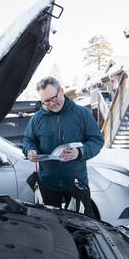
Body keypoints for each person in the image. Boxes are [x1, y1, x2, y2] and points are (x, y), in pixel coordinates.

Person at [23, 76, 104, 209]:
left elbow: (97, 141)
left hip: (76, 184)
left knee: (79, 225)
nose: (51, 104)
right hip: (48, 185)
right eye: (46, 101)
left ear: (61, 91)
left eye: (53, 98)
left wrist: (80, 152)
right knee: (51, 225)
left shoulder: (82, 114)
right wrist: (30, 150)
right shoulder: (37, 119)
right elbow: (28, 140)